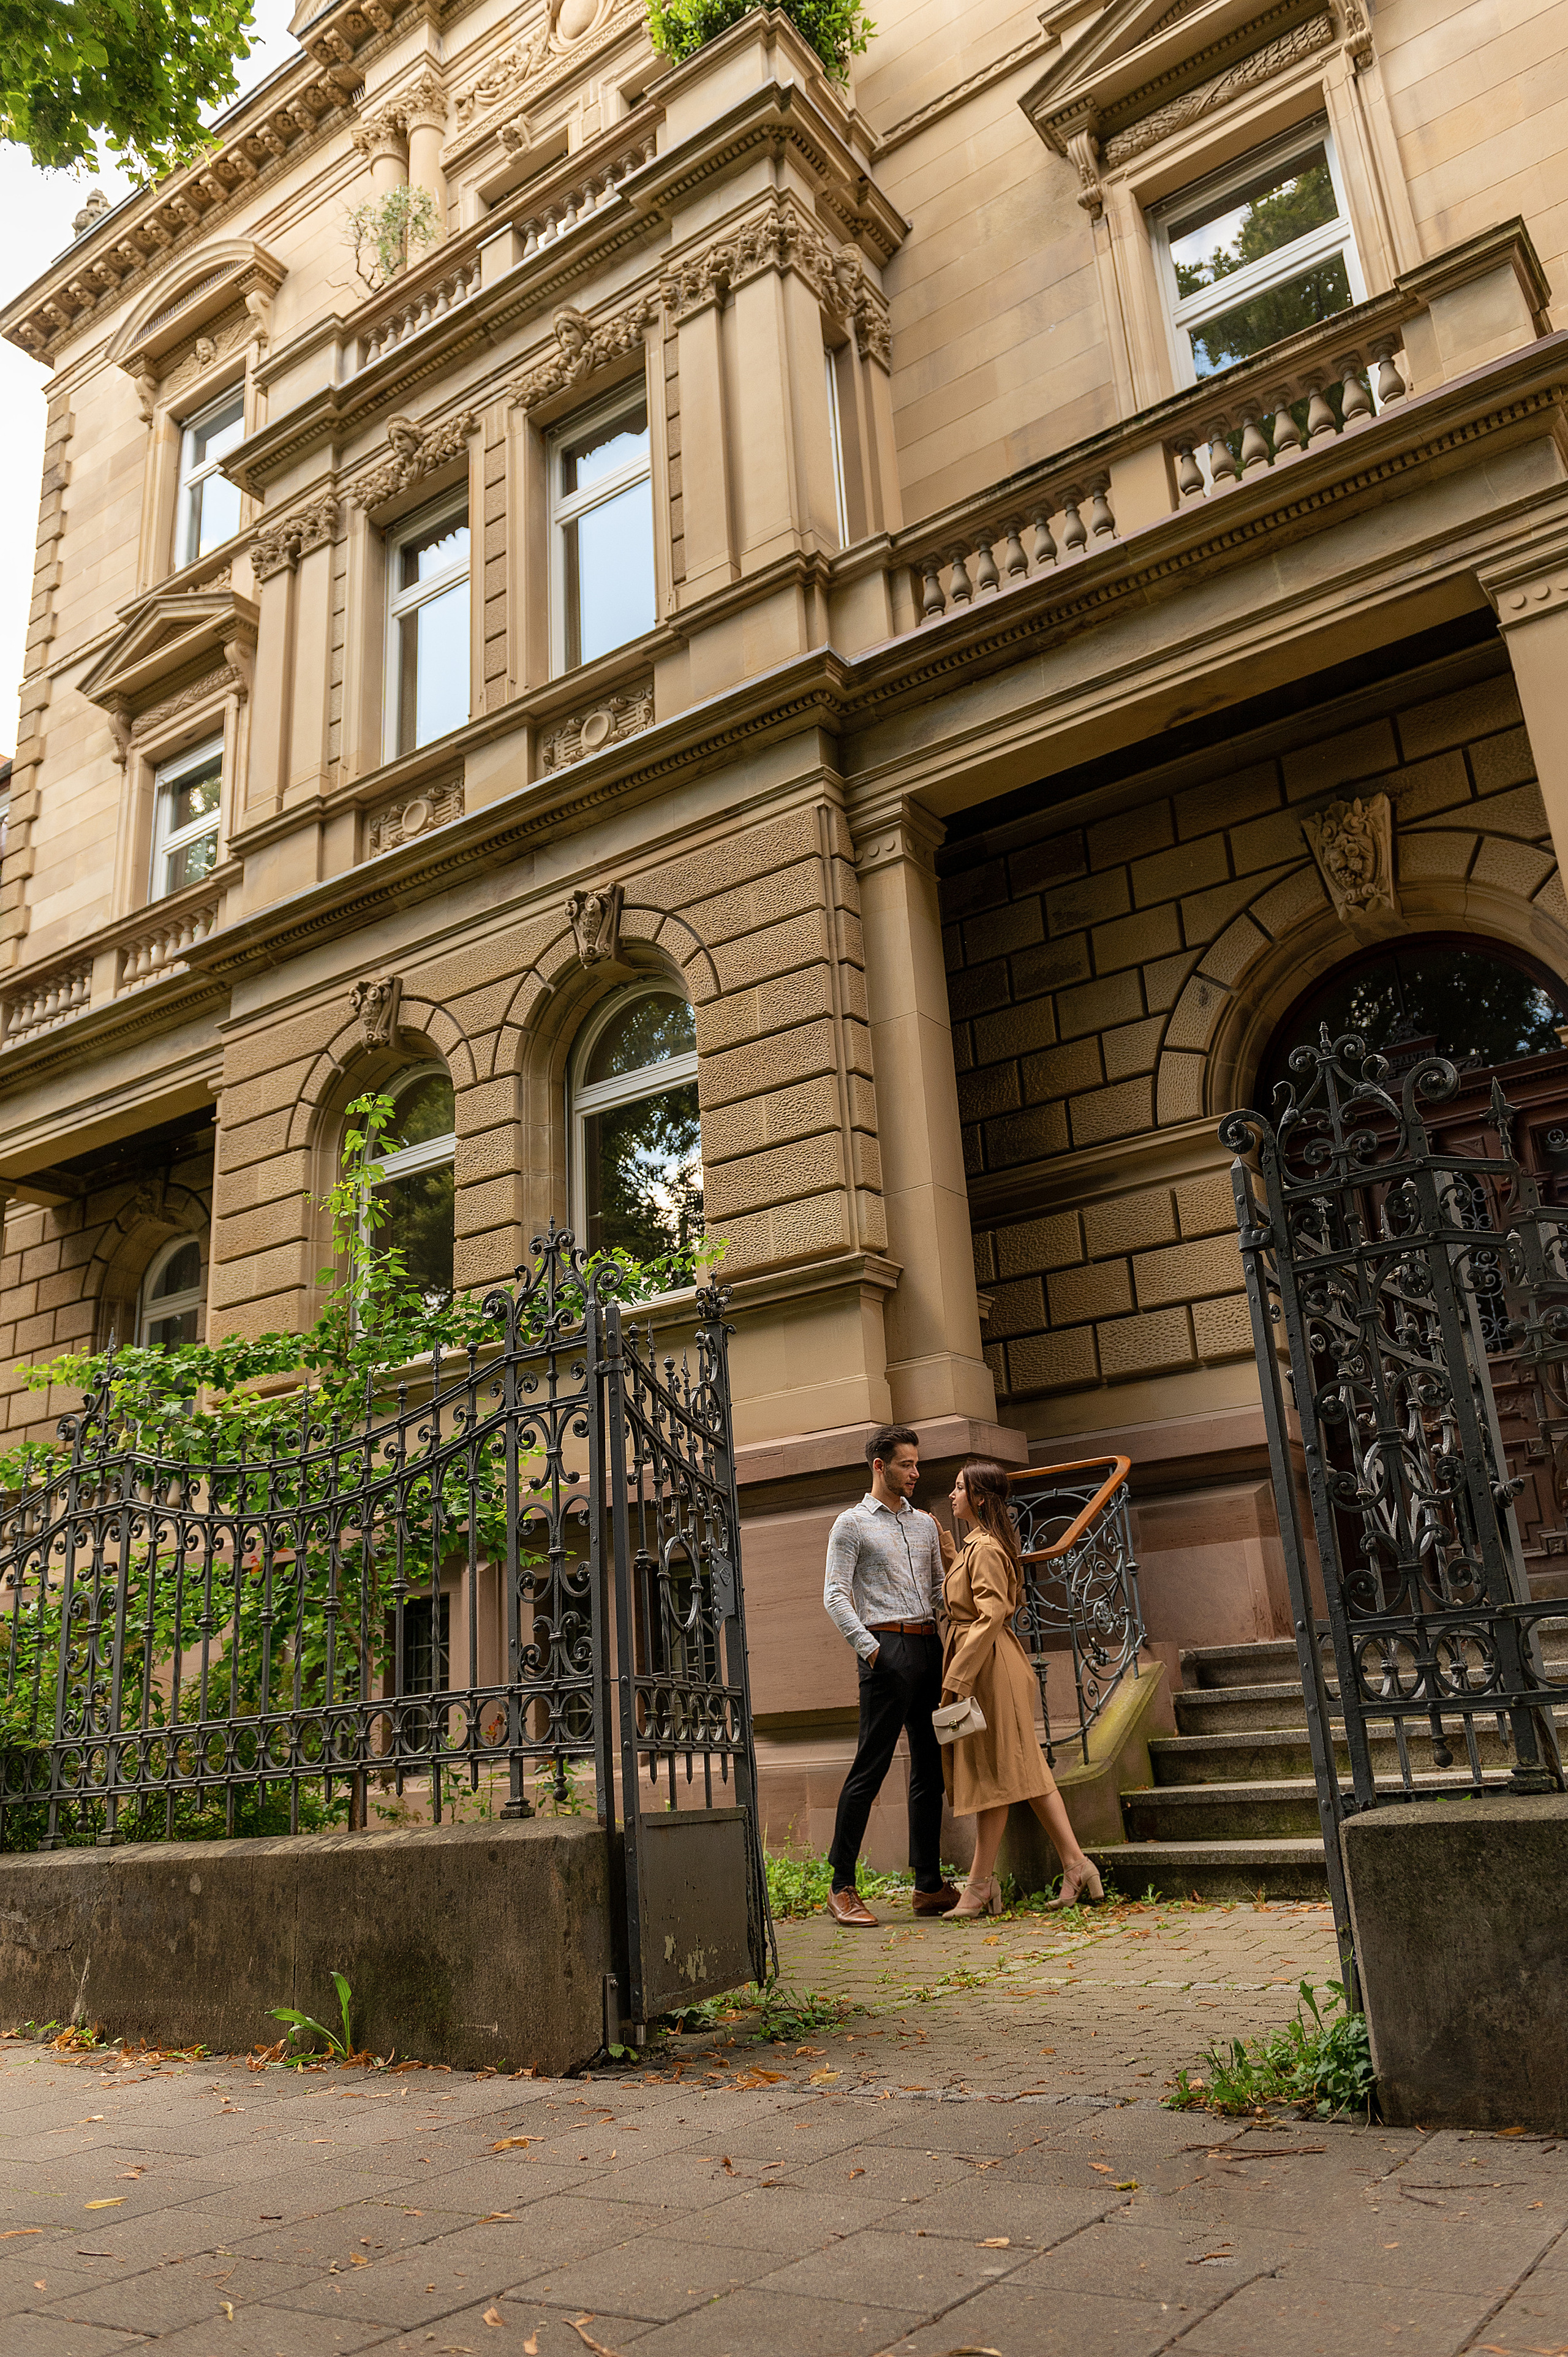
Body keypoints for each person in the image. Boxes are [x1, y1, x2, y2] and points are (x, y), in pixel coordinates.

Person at [938, 1457, 1105, 1919]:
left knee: (999, 1773)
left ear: (979, 1498)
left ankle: (979, 1885)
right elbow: (973, 1593)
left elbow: (990, 1613)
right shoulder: (980, 1546)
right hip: (989, 1663)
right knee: (1020, 1770)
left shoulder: (987, 1548)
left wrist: (958, 1677)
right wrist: (950, 1548)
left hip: (989, 1667)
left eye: (958, 1488)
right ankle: (1076, 1865)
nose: (951, 1495)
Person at [821, 1424, 962, 1926]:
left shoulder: (924, 1524)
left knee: (930, 1767)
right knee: (871, 1767)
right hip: (887, 1648)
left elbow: (941, 1588)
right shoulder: (851, 1523)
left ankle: (927, 1883)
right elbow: (835, 1594)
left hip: (930, 1645)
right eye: (907, 1463)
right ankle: (841, 1885)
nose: (916, 1472)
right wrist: (873, 1652)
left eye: (917, 1463)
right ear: (880, 1465)